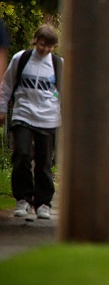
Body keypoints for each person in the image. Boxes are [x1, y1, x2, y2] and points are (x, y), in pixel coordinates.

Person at [0, 24, 62, 220]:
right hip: (23, 115)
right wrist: (2, 109)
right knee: (22, 155)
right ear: (36, 41)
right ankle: (23, 198)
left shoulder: (58, 64)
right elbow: (7, 85)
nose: (45, 50)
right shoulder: (22, 59)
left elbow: (67, 92)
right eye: (42, 45)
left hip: (48, 117)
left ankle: (43, 203)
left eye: (50, 46)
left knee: (44, 162)